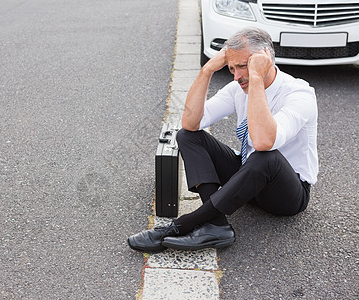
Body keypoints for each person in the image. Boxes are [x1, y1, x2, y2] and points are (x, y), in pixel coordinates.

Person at [128, 27, 318, 253]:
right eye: (231, 69)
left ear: (264, 57)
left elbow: (264, 142)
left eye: (243, 66)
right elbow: (190, 122)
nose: (237, 76)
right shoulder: (238, 87)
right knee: (187, 136)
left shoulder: (299, 94)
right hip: (249, 179)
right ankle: (216, 224)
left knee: (266, 157)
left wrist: (256, 77)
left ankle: (183, 225)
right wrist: (207, 69)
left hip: (286, 194)